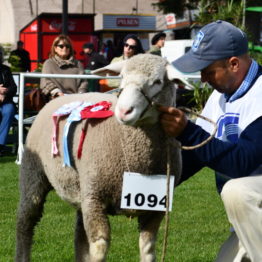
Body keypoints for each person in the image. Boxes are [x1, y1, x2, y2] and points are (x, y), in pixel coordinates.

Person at [158, 20, 262, 262]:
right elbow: (195, 154)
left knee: (237, 190)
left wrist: (187, 131)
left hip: (251, 201)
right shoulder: (220, 97)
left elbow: (242, 162)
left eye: (207, 69)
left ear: (233, 64)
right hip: (254, 213)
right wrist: (150, 186)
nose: (202, 79)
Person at [40, 35, 88, 99]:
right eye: (61, 46)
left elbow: (83, 82)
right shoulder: (49, 63)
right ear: (55, 48)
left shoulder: (78, 64)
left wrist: (80, 94)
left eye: (67, 46)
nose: (64, 48)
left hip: (76, 99)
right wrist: (57, 92)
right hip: (55, 99)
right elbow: (45, 82)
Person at [0, 47, 17, 156]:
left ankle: (0, 145)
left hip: (5, 101)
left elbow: (14, 88)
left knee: (9, 110)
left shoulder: (6, 69)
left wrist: (3, 93)